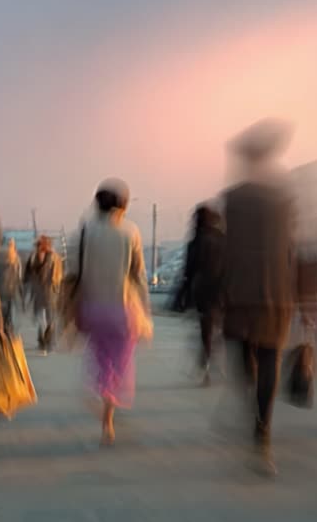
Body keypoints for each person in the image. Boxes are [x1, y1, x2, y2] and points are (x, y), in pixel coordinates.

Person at [219, 118, 310, 476]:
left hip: (239, 291)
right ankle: (262, 434)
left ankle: (252, 412)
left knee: (244, 358)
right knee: (270, 358)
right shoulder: (283, 199)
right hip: (276, 292)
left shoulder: (233, 198)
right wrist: (304, 297)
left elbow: (227, 249)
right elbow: (292, 249)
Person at [67, 179, 151, 446]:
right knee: (120, 362)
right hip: (123, 310)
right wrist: (146, 312)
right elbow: (139, 276)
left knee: (99, 356)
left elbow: (72, 273)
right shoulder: (131, 231)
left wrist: (72, 307)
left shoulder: (83, 232)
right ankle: (108, 416)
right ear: (123, 205)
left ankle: (99, 389)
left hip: (92, 308)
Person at [171, 204, 225, 386]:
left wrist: (182, 293)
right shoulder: (223, 239)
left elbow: (189, 270)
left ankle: (206, 368)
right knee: (220, 328)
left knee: (206, 331)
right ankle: (215, 363)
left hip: (203, 292)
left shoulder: (196, 241)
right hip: (222, 290)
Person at [24, 234, 63, 354]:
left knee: (49, 317)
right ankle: (43, 340)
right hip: (39, 291)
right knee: (41, 317)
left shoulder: (54, 257)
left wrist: (56, 287)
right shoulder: (33, 257)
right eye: (38, 245)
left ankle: (48, 341)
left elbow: (58, 274)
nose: (39, 247)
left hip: (49, 291)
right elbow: (27, 275)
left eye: (40, 244)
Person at [0, 238, 24, 332]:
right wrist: (21, 292)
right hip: (11, 289)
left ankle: (3, 327)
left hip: (1, 288)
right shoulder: (16, 259)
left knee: (3, 309)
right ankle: (7, 327)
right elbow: (19, 277)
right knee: (9, 310)